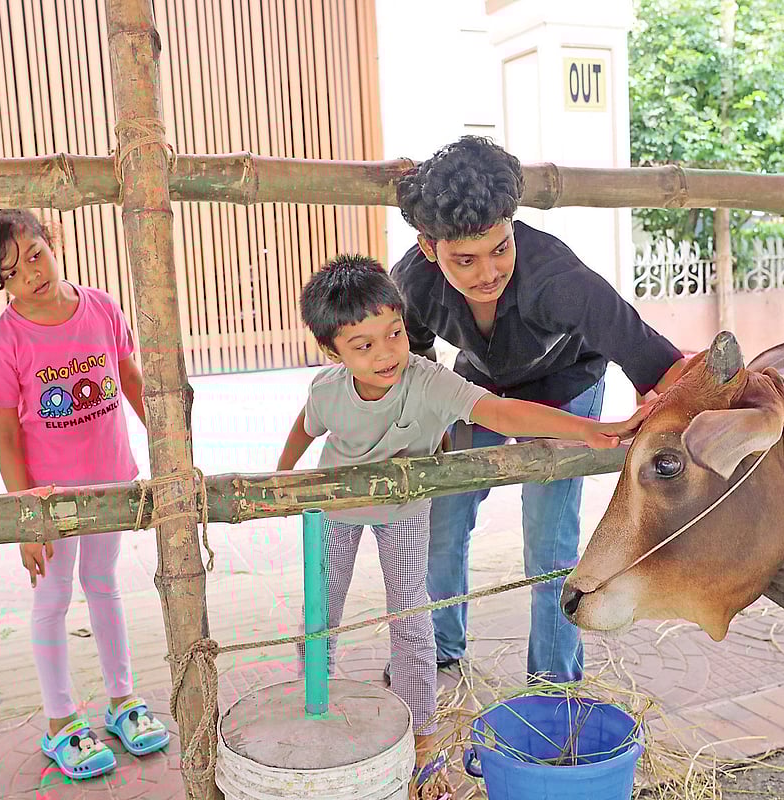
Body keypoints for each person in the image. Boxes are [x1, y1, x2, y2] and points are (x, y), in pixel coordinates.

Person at [276, 254, 634, 795]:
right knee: (322, 607)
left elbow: (503, 413)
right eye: (362, 345)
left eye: (393, 333)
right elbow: (305, 430)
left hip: (404, 511)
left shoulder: (430, 382)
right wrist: (281, 480)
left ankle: (422, 744)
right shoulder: (328, 390)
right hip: (338, 509)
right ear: (332, 352)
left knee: (412, 613)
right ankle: (314, 707)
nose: (385, 353)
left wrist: (587, 429)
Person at [391, 136, 687, 685]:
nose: (487, 272)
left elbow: (657, 359)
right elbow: (414, 356)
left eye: (500, 247)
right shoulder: (412, 281)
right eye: (465, 258)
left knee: (548, 540)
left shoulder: (559, 280)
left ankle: (553, 680)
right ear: (429, 249)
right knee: (445, 518)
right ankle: (439, 649)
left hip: (567, 385)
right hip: (481, 386)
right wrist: (422, 426)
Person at [0, 209, 169, 780]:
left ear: (52, 241)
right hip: (50, 501)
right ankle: (60, 722)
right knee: (51, 602)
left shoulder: (100, 307)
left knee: (104, 585)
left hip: (113, 480)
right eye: (10, 272)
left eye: (34, 255)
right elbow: (4, 436)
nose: (29, 274)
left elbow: (129, 381)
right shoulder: (4, 344)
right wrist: (29, 516)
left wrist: (169, 446)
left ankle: (122, 700)